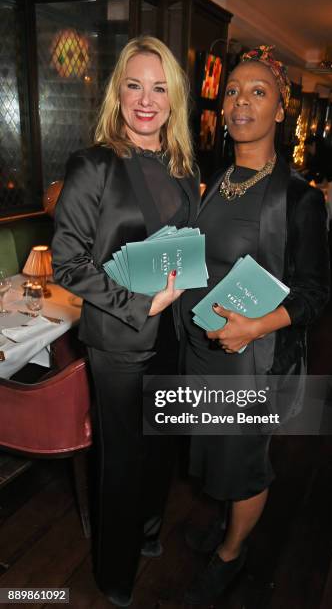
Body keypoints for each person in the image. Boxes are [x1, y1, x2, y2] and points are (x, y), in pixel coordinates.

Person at [179, 45, 330, 605]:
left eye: (258, 91)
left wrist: (256, 326)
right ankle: (223, 524)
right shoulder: (217, 180)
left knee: (244, 461)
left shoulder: (299, 199)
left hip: (251, 359)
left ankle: (231, 554)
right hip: (203, 348)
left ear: (280, 110)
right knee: (214, 450)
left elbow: (317, 295)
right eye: (234, 91)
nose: (241, 101)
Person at [52, 36, 199, 607]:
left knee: (163, 444)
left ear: (173, 98)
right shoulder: (94, 165)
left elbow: (183, 246)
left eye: (159, 87)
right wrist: (143, 304)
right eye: (134, 85)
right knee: (121, 458)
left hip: (175, 332)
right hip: (120, 337)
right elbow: (68, 263)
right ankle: (114, 572)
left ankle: (148, 530)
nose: (146, 99)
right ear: (119, 92)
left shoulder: (183, 166)